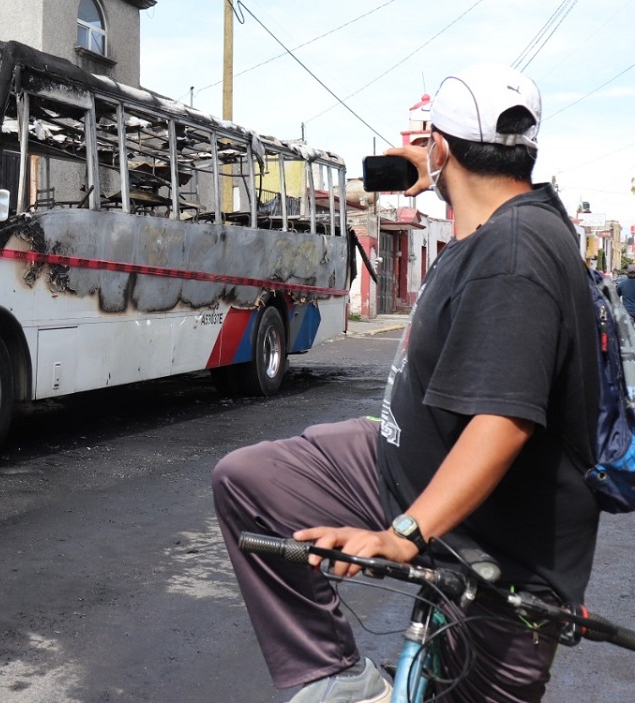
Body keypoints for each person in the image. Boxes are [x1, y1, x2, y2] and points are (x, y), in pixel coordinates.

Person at [211, 64, 599, 703]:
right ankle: (337, 677)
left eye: (430, 145)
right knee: (253, 481)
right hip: (402, 474)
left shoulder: (515, 255)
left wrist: (406, 534)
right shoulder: (508, 223)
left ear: (441, 147)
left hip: (494, 545)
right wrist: (437, 174)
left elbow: (506, 421)